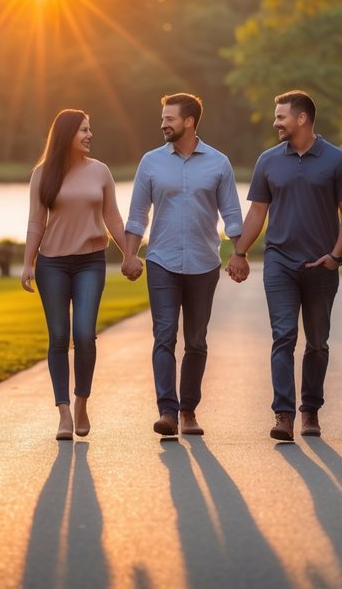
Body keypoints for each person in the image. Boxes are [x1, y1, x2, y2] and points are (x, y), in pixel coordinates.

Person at [230, 90, 342, 441]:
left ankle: (311, 411)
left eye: (281, 117)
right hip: (279, 263)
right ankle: (283, 414)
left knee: (317, 342)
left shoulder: (337, 160)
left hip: (321, 266)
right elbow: (258, 212)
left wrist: (335, 256)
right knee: (283, 336)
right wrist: (239, 252)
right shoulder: (268, 161)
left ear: (301, 118)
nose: (276, 123)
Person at [123, 93, 244, 437]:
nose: (163, 123)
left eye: (170, 118)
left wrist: (240, 253)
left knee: (196, 340)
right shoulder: (150, 162)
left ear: (189, 121)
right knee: (164, 336)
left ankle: (189, 410)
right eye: (163, 118)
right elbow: (137, 216)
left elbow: (232, 215)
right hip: (162, 260)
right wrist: (130, 255)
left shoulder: (219, 163)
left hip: (204, 262)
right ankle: (168, 412)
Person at [22, 109, 130, 441]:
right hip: (51, 264)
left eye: (89, 129)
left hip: (90, 262)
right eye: (83, 129)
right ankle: (64, 413)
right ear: (67, 133)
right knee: (58, 338)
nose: (89, 134)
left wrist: (129, 254)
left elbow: (112, 217)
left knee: (84, 333)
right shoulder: (43, 174)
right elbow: (36, 221)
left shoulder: (100, 171)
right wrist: (28, 264)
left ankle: (82, 402)